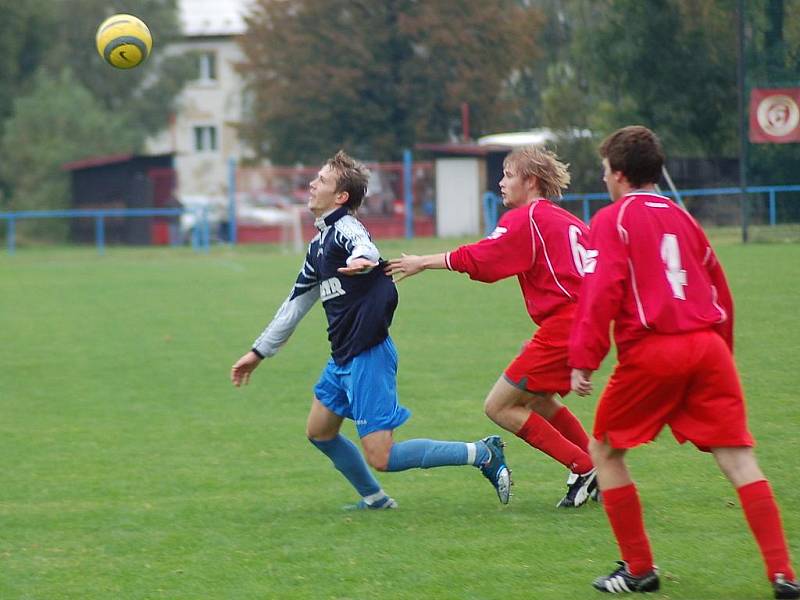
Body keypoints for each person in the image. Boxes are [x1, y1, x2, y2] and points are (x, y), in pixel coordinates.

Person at [569, 125, 798, 598]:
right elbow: (720, 289)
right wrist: (722, 356)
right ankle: (783, 574)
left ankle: (639, 569)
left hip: (656, 347)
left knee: (605, 452)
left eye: (604, 170)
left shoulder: (612, 219)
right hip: (708, 346)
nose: (604, 178)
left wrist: (584, 360)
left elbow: (600, 293)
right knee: (739, 459)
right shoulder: (685, 218)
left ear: (617, 172)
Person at [230, 150, 511, 509]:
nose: (313, 184)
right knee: (320, 432)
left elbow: (362, 245)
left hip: (368, 355)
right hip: (342, 357)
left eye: (322, 180)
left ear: (341, 196)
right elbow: (295, 304)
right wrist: (258, 353)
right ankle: (375, 499)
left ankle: (482, 453)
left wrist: (363, 260)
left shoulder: (345, 228)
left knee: (384, 456)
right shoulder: (318, 246)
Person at [386, 145, 597, 508]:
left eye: (508, 175)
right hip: (587, 323)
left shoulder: (527, 218)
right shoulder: (569, 220)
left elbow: (483, 259)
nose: (501, 183)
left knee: (499, 406)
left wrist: (424, 262)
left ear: (530, 181)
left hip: (566, 324)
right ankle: (599, 465)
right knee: (537, 397)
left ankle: (583, 466)